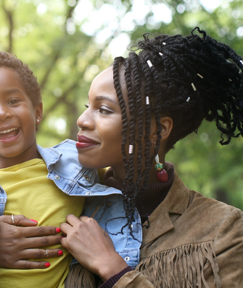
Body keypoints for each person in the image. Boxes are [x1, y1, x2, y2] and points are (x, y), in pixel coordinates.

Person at [0, 51, 141, 288]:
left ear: (38, 112)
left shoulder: (78, 165)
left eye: (13, 101)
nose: (1, 113)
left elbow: (130, 180)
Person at [60, 28, 243, 287]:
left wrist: (113, 270)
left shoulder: (223, 228)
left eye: (103, 109)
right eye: (86, 107)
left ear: (157, 130)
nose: (82, 120)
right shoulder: (66, 205)